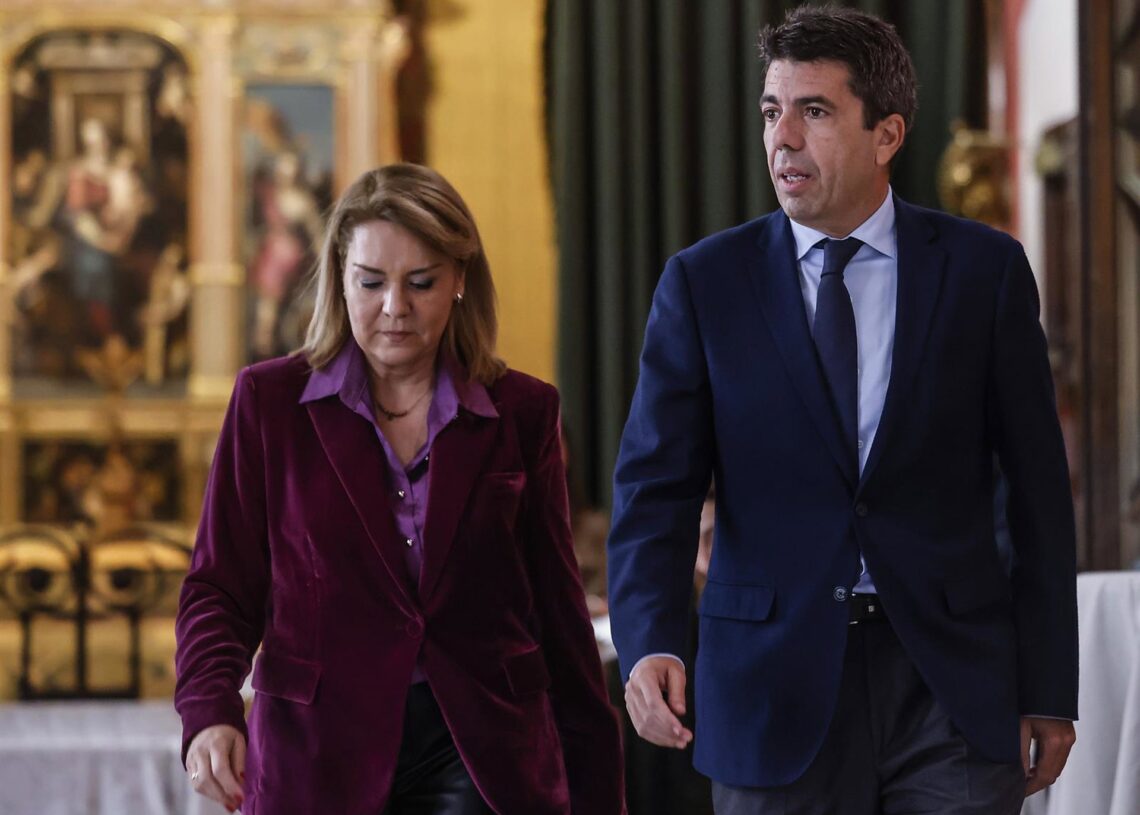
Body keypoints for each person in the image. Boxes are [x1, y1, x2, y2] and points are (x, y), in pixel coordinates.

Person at [606, 7, 1078, 815]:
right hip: (771, 684)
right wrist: (647, 638)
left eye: (812, 111)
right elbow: (656, 489)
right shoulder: (705, 283)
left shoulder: (984, 273)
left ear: (887, 133)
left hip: (951, 685)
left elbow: (1037, 495)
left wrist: (1049, 684)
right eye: (769, 111)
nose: (781, 138)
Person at [175, 163, 624, 815]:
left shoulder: (524, 411)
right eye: (371, 282)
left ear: (461, 280)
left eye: (421, 282)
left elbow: (558, 616)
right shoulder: (268, 403)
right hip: (317, 750)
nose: (395, 308)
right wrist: (209, 709)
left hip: (482, 751)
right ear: (339, 277)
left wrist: (599, 792)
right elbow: (220, 586)